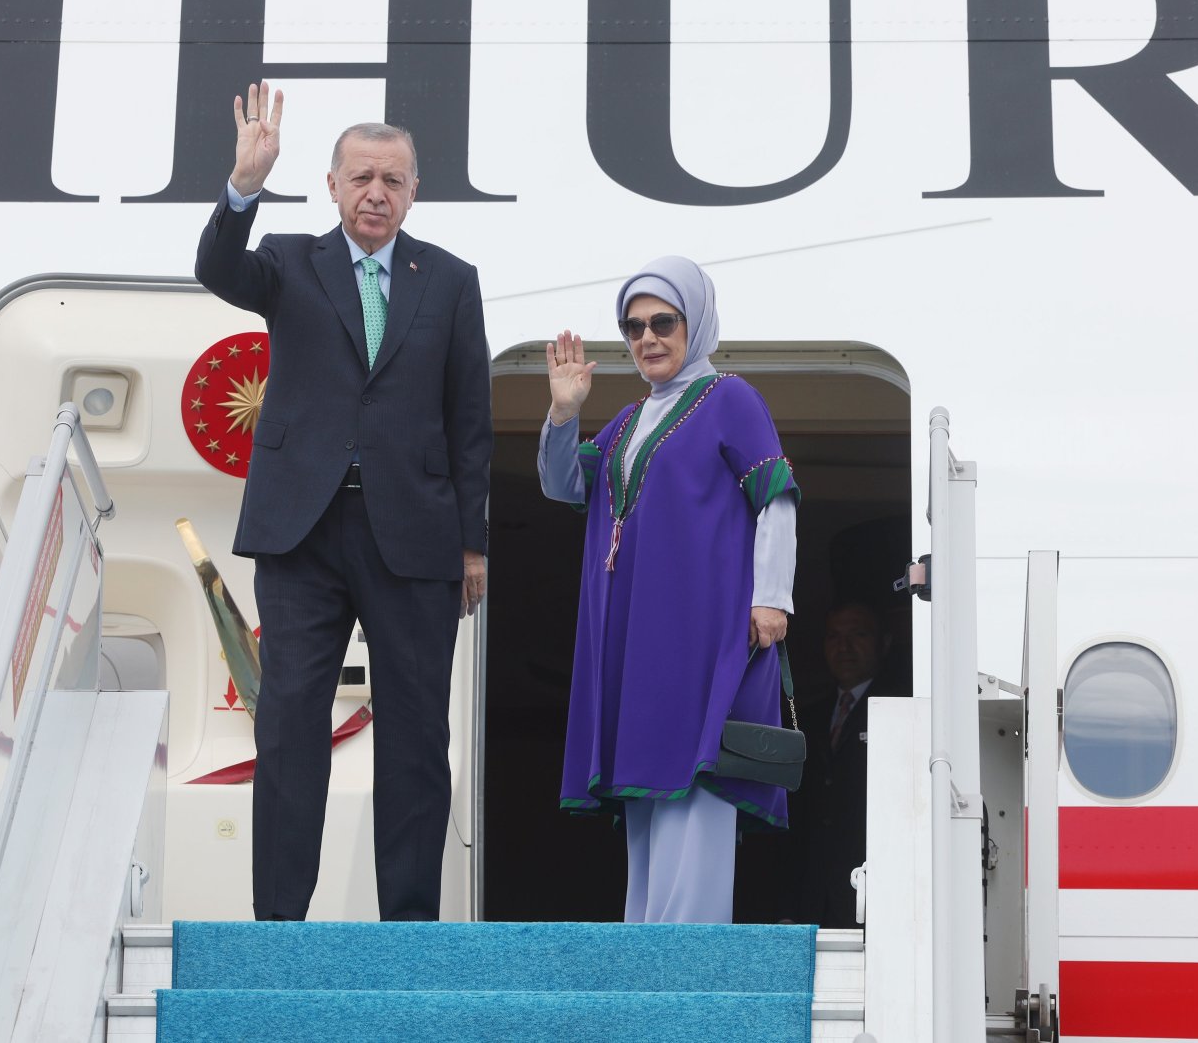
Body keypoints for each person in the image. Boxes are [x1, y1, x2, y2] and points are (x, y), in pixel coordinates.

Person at [194, 82, 492, 922]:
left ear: (413, 192)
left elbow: (469, 419)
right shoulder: (288, 261)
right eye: (361, 177)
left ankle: (408, 927)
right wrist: (242, 187)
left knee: (415, 737)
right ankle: (279, 924)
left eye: (392, 180)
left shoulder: (452, 280)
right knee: (289, 725)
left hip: (416, 537)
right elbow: (217, 269)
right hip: (304, 533)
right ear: (331, 185)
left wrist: (474, 545)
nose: (376, 194)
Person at [538, 256, 799, 924]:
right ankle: (650, 953)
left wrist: (771, 597)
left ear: (697, 322)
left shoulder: (730, 398)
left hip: (707, 631)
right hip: (641, 639)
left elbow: (775, 499)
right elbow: (564, 485)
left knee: (697, 779)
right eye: (633, 327)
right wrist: (564, 413)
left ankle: (688, 957)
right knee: (650, 792)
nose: (647, 338)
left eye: (663, 322)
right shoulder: (627, 421)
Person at [791, 601, 886, 928]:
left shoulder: (900, 708)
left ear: (882, 641)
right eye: (833, 637)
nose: (844, 647)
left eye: (857, 635)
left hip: (873, 897)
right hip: (812, 901)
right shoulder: (808, 717)